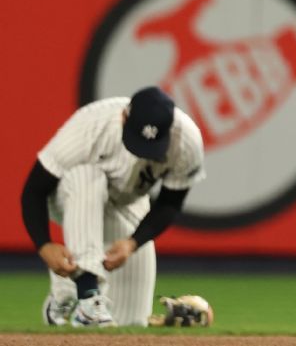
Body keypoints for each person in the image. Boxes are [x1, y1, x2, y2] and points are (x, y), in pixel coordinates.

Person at [19, 87, 205, 327]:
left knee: (130, 323)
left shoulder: (187, 142)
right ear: (124, 117)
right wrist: (44, 245)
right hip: (68, 194)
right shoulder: (90, 126)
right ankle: (86, 297)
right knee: (87, 177)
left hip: (129, 201)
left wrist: (132, 242)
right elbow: (34, 190)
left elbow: (170, 203)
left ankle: (65, 290)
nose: (143, 152)